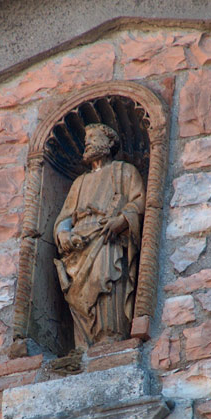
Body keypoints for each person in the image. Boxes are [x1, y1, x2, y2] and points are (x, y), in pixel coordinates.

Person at [53, 123, 145, 348]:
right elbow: (65, 216)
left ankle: (109, 335)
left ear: (109, 142)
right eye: (86, 138)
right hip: (79, 246)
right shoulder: (79, 182)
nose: (87, 142)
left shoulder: (124, 171)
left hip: (107, 238)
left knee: (105, 282)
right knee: (79, 295)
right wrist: (63, 234)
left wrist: (121, 221)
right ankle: (84, 345)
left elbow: (140, 202)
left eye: (93, 137)